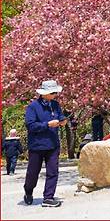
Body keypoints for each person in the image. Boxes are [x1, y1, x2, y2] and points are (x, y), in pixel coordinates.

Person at [23, 79, 68, 208]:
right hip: (37, 145)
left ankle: (48, 197)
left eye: (56, 92)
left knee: (53, 172)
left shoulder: (55, 104)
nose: (55, 94)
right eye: (53, 92)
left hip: (53, 144)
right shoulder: (33, 107)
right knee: (33, 173)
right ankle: (28, 191)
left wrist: (63, 121)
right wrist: (47, 125)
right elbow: (30, 125)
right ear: (44, 93)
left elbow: (60, 116)